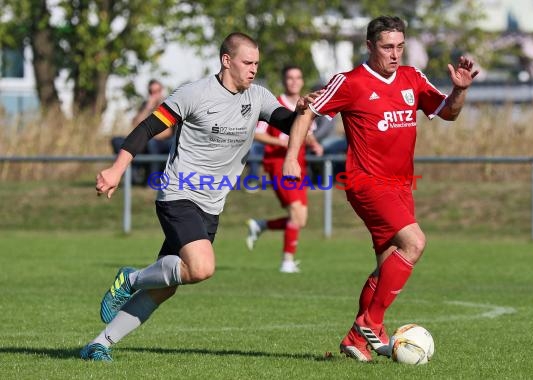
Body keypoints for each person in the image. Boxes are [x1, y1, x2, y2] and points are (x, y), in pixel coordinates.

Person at [80, 32, 314, 361]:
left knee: (165, 286)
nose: (253, 70)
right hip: (179, 193)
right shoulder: (194, 94)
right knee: (201, 267)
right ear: (226, 60)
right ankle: (130, 278)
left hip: (211, 205)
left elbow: (292, 124)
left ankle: (99, 344)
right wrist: (117, 169)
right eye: (247, 63)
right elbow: (147, 128)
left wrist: (304, 110)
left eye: (257, 64)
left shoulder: (258, 97)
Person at [283, 15, 479, 362]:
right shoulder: (350, 82)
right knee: (415, 242)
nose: (395, 53)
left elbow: (447, 113)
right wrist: (292, 158)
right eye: (387, 47)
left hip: (402, 186)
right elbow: (307, 111)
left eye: (400, 46)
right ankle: (370, 323)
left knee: (388, 263)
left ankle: (355, 340)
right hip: (366, 182)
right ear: (370, 46)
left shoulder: (412, 78)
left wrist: (460, 90)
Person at [246, 65, 323, 273]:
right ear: (284, 80)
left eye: (298, 77)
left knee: (301, 218)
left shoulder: (307, 105)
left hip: (299, 163)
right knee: (297, 213)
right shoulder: (274, 105)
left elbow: (306, 132)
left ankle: (261, 226)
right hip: (279, 163)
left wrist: (314, 143)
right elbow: (257, 133)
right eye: (289, 77)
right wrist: (282, 143)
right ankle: (287, 262)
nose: (294, 81)